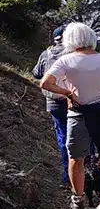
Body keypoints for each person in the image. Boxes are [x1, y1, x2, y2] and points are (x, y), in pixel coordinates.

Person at [39, 22, 100, 209]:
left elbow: (45, 83)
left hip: (78, 114)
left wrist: (67, 93)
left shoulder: (65, 61)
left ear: (69, 40)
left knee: (76, 158)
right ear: (91, 38)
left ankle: (78, 200)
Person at [32, 25, 70, 187]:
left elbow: (36, 73)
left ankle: (66, 176)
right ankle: (85, 174)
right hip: (72, 100)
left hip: (53, 102)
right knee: (82, 137)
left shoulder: (45, 53)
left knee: (63, 138)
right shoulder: (72, 53)